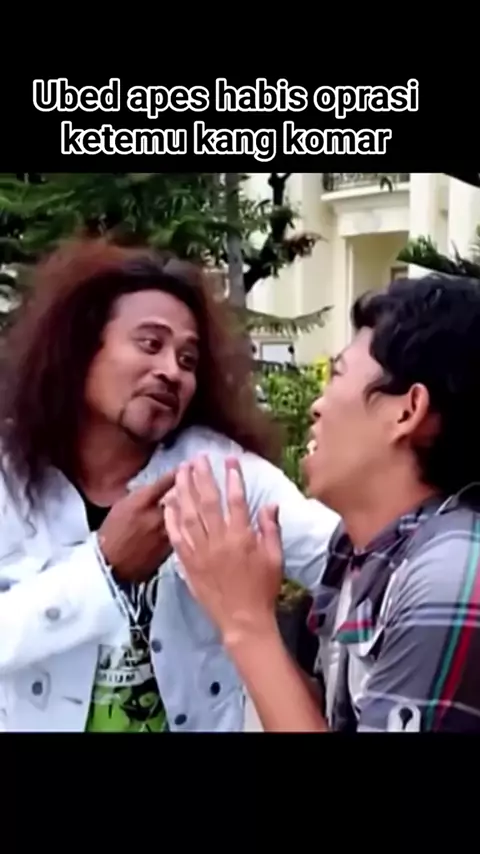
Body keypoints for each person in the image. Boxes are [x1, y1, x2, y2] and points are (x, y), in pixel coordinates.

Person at [0, 237, 339, 733]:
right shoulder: (9, 475)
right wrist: (104, 568)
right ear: (81, 347)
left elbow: (346, 561)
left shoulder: (221, 475)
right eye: (150, 344)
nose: (170, 371)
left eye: (188, 359)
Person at [163, 274, 480, 733]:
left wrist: (245, 622)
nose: (317, 405)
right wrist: (239, 605)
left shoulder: (450, 572)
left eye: (338, 375)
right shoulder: (358, 550)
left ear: (407, 411)